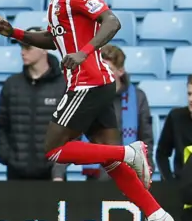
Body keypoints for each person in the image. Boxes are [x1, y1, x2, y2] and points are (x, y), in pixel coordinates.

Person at [0, 0, 174, 221]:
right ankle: (156, 215)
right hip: (96, 83)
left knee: (53, 149)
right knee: (110, 161)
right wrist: (16, 33)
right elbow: (55, 39)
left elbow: (112, 22)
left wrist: (84, 52)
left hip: (87, 82)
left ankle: (131, 151)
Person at [54, 44, 155, 181]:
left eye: (109, 69)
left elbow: (146, 139)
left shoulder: (137, 98)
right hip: (95, 180)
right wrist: (58, 173)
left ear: (120, 71)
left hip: (128, 176)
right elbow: (70, 138)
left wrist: (146, 171)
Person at [0, 26, 66, 180]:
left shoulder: (64, 85)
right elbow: (2, 125)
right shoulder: (11, 84)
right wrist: (7, 157)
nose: (22, 51)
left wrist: (59, 168)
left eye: (27, 47)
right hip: (16, 173)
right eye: (21, 46)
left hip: (52, 175)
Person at [155, 73, 192, 181]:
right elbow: (162, 154)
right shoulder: (176, 117)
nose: (191, 99)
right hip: (181, 185)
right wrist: (169, 181)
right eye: (189, 94)